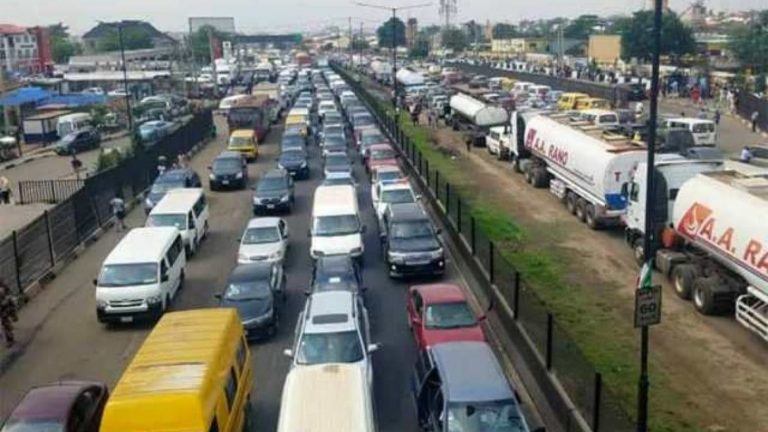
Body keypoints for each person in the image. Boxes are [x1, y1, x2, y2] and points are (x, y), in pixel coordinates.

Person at [0, 280, 18, 348]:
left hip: (5, 301)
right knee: (4, 321)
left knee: (6, 316)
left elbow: (7, 290)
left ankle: (13, 314)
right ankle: (10, 339)